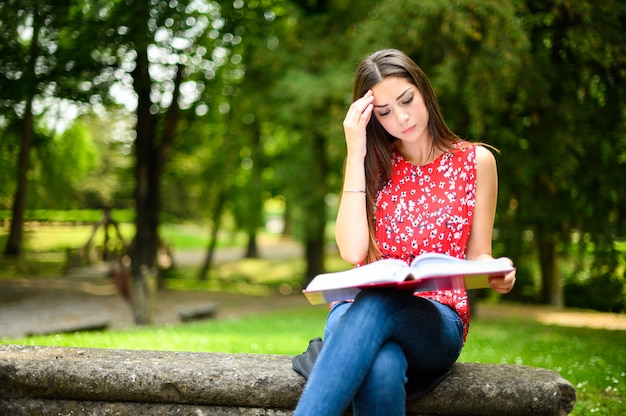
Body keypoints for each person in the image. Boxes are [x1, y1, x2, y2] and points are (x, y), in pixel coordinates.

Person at [294, 49, 516, 416]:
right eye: (384, 112)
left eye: (406, 100)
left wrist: (495, 271)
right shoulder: (372, 163)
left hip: (436, 319)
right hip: (354, 312)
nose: (401, 118)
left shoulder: (476, 162)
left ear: (424, 91)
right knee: (382, 364)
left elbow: (480, 252)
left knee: (382, 304)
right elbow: (352, 251)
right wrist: (355, 152)